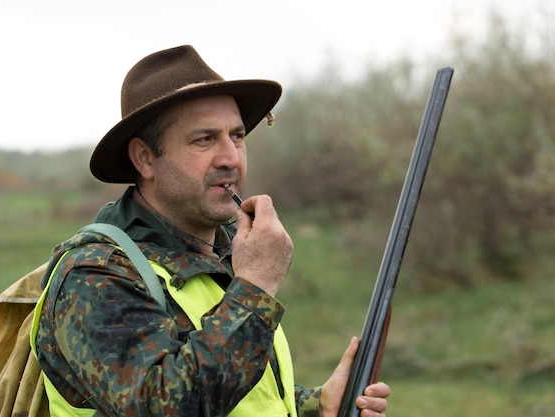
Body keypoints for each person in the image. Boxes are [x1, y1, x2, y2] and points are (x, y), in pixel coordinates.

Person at [33, 45, 390, 417]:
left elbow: (241, 395)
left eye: (236, 136)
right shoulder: (96, 273)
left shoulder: (220, 253)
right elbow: (162, 407)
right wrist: (255, 288)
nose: (231, 158)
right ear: (144, 158)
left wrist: (316, 407)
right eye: (204, 139)